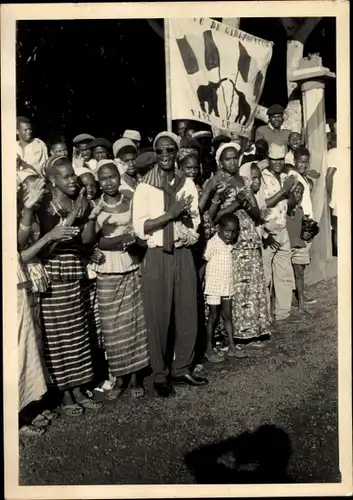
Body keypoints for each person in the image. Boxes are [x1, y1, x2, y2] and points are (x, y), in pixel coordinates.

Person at [132, 131, 208, 397]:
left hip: (182, 251)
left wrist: (185, 220)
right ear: (155, 153)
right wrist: (170, 215)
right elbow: (140, 228)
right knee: (158, 315)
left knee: (188, 310)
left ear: (177, 153)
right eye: (161, 151)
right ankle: (159, 374)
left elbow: (195, 219)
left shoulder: (186, 183)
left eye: (171, 151)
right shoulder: (144, 186)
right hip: (157, 256)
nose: (166, 156)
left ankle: (182, 367)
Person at [37, 155, 103, 416]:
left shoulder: (78, 200)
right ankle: (64, 393)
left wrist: (88, 215)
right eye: (66, 177)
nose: (73, 180)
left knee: (78, 332)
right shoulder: (46, 206)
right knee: (59, 336)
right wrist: (75, 213)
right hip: (54, 275)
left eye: (73, 175)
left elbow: (86, 240)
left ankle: (78, 388)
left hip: (75, 272)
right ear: (53, 180)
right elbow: (47, 246)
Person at [89, 161, 149, 399]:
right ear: (98, 181)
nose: (109, 182)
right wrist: (117, 240)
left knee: (135, 322)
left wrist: (130, 239)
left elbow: (138, 231)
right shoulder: (94, 206)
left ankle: (135, 378)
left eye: (113, 177)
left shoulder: (130, 201)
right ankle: (119, 377)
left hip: (130, 265)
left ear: (119, 177)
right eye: (103, 178)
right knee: (112, 326)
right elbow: (91, 240)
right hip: (106, 268)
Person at [209, 142, 271, 351]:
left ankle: (254, 330)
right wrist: (236, 203)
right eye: (228, 158)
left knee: (252, 285)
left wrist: (248, 203)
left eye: (235, 157)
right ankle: (234, 335)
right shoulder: (217, 183)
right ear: (220, 161)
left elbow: (257, 215)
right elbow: (213, 217)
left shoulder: (244, 181)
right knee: (235, 286)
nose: (233, 162)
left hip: (250, 239)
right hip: (231, 242)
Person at [261, 144, 299, 324]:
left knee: (283, 271)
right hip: (268, 229)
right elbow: (265, 203)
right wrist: (284, 190)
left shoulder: (286, 176)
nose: (277, 163)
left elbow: (290, 203)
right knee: (266, 275)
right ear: (269, 160)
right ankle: (265, 315)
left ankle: (283, 312)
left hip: (282, 227)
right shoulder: (261, 177)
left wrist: (292, 194)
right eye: (274, 160)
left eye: (280, 160)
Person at [204, 213, 241, 361]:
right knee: (213, 317)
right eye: (227, 231)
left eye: (233, 232)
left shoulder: (229, 244)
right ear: (219, 228)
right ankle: (208, 348)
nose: (230, 235)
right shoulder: (213, 243)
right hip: (213, 286)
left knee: (228, 316)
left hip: (226, 284)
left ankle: (232, 346)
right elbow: (204, 262)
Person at [286, 182, 311, 314]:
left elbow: (307, 232)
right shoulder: (284, 209)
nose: (298, 194)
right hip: (287, 246)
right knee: (284, 275)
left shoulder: (301, 210)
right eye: (296, 191)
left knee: (299, 273)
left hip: (299, 245)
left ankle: (301, 301)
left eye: (301, 192)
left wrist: (309, 232)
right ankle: (281, 305)